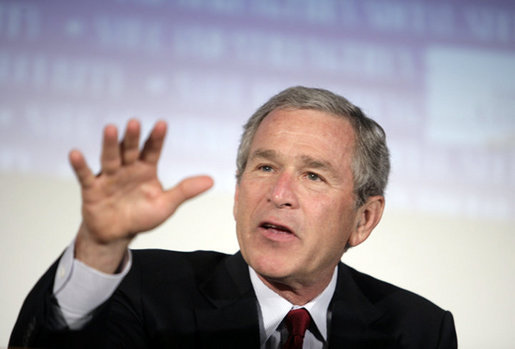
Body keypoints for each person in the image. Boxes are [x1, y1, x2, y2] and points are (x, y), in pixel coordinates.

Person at [10, 86, 457, 348]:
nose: (279, 194)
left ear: (363, 219)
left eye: (313, 176)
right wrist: (98, 247)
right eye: (264, 167)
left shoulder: (417, 330)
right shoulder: (147, 292)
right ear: (238, 190)